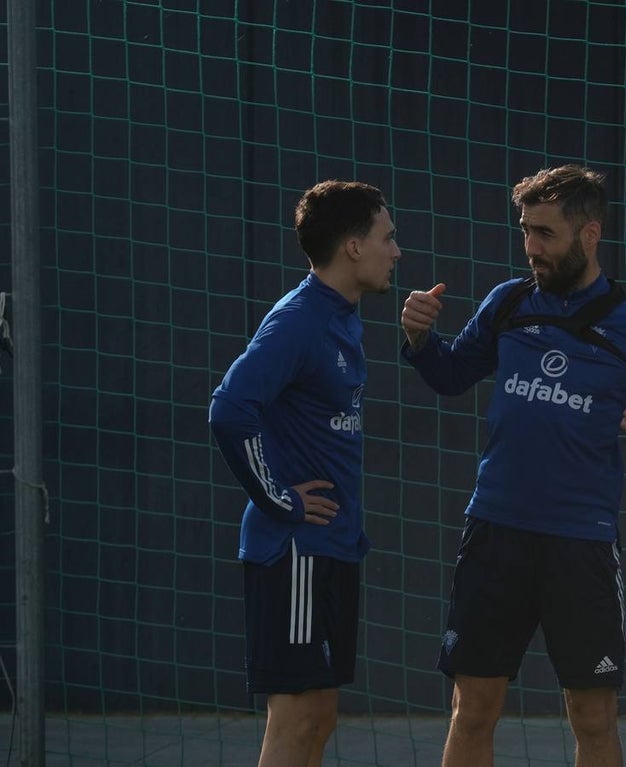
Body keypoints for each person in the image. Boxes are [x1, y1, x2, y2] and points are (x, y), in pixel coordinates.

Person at [401, 164, 626, 767]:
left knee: (592, 718)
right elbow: (452, 374)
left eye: (545, 233)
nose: (531, 246)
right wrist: (420, 340)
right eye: (526, 231)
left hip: (579, 548)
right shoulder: (508, 303)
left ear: (589, 235)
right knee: (473, 708)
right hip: (495, 534)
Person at [208, 180, 401, 767]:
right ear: (352, 247)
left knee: (319, 717)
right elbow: (230, 409)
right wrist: (281, 501)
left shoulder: (342, 318)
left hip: (332, 546)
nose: (396, 250)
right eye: (387, 237)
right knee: (294, 721)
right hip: (295, 551)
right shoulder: (299, 319)